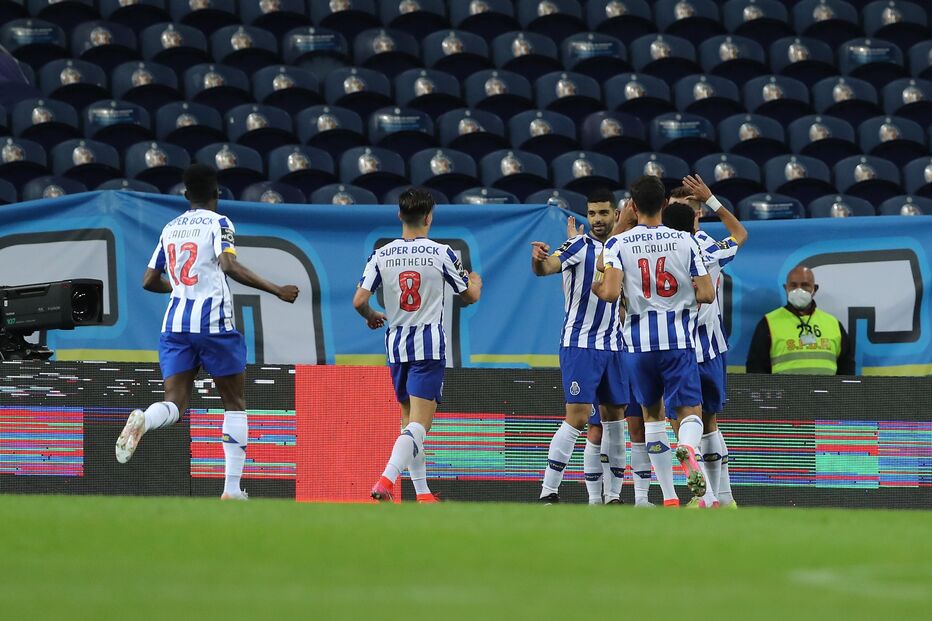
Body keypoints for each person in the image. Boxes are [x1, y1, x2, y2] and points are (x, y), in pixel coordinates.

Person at [115, 164, 300, 500]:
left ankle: (145, 418)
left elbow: (147, 280)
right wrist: (276, 290)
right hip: (213, 325)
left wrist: (182, 288)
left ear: (186, 195)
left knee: (175, 403)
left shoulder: (170, 228)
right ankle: (231, 489)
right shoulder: (219, 222)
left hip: (175, 326)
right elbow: (228, 265)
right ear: (217, 193)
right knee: (234, 402)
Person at [593, 175, 715, 506]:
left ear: (631, 207)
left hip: (636, 345)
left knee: (652, 415)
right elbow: (707, 292)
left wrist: (597, 284)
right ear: (665, 204)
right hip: (677, 339)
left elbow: (609, 292)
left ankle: (670, 497)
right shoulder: (686, 242)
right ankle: (688, 448)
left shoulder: (618, 245)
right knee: (690, 411)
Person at [355, 187, 482, 503]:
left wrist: (372, 315)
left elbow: (359, 300)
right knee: (420, 427)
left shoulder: (381, 254)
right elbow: (468, 296)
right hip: (428, 345)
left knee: (408, 424)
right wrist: (476, 283)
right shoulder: (442, 253)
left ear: (400, 215)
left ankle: (423, 494)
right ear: (429, 217)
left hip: (396, 345)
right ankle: (386, 480)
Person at [530, 188, 629, 505]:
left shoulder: (621, 249)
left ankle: (613, 497)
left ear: (615, 214)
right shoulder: (578, 245)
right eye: (592, 214)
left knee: (615, 422)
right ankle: (549, 491)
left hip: (614, 345)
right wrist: (539, 260)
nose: (598, 220)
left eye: (603, 213)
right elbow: (547, 268)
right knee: (577, 416)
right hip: (580, 344)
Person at [663, 175, 748, 508]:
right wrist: (712, 199)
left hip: (676, 346)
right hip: (711, 346)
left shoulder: (659, 250)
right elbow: (741, 234)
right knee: (709, 422)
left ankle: (708, 496)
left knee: (682, 422)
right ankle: (723, 499)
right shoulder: (709, 247)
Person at [746, 265, 855, 375]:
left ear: (814, 289)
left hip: (827, 392)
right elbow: (756, 369)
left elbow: (847, 369)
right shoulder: (768, 323)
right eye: (793, 285)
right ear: (786, 288)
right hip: (785, 392)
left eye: (805, 285)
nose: (799, 290)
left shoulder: (833, 324)